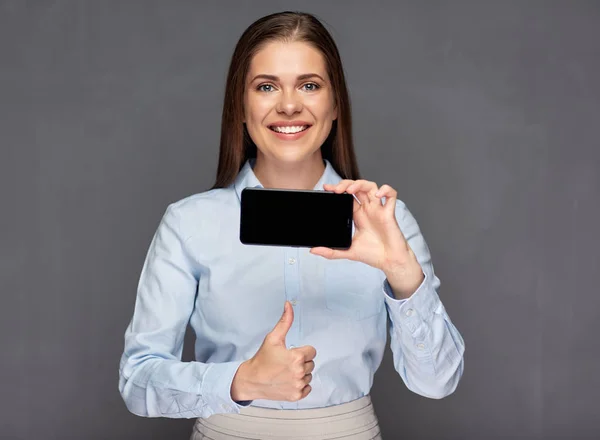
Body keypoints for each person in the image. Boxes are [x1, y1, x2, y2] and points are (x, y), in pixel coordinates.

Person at [118, 11, 465, 440]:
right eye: (266, 87)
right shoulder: (190, 223)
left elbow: (438, 382)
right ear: (240, 107)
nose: (288, 104)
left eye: (310, 85)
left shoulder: (384, 222)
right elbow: (137, 380)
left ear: (335, 104)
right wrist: (240, 380)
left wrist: (404, 276)